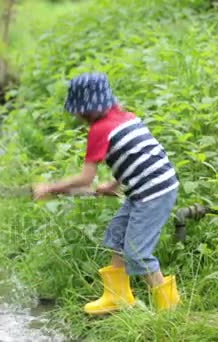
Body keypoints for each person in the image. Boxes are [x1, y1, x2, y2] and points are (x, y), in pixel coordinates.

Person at [33, 72, 180, 314]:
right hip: (146, 188)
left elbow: (85, 178)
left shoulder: (100, 130)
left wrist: (50, 187)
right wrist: (114, 185)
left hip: (154, 193)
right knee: (117, 235)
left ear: (83, 109)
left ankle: (170, 309)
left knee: (138, 254)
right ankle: (117, 296)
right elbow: (136, 158)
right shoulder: (126, 118)